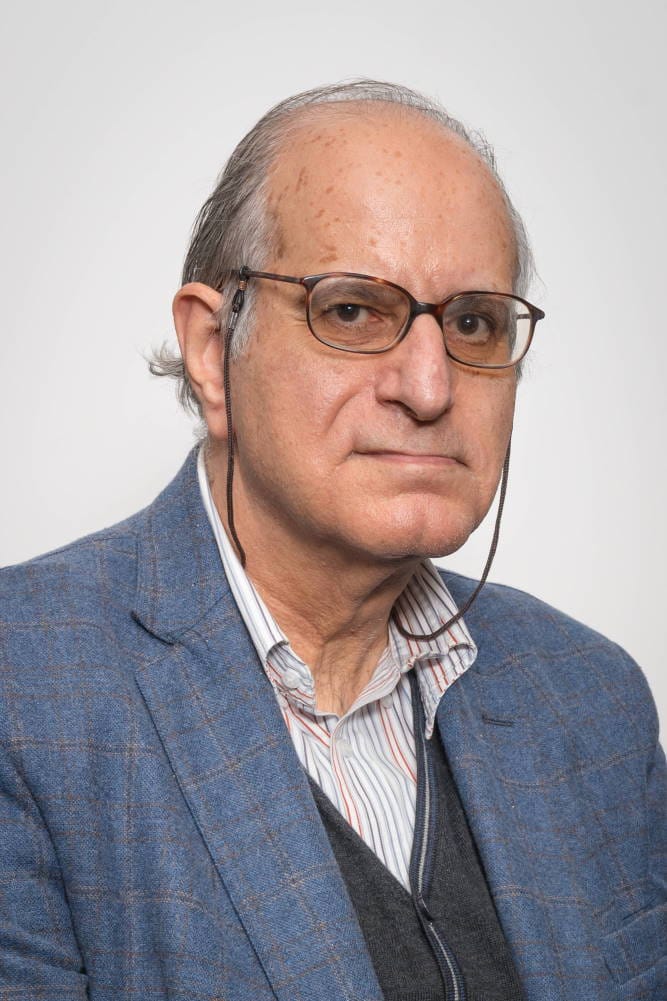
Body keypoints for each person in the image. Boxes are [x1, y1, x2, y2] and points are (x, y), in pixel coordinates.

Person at [0, 80, 664, 1001]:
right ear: (211, 349)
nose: (428, 387)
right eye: (352, 310)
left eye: (473, 322)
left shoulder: (592, 701)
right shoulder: (23, 688)